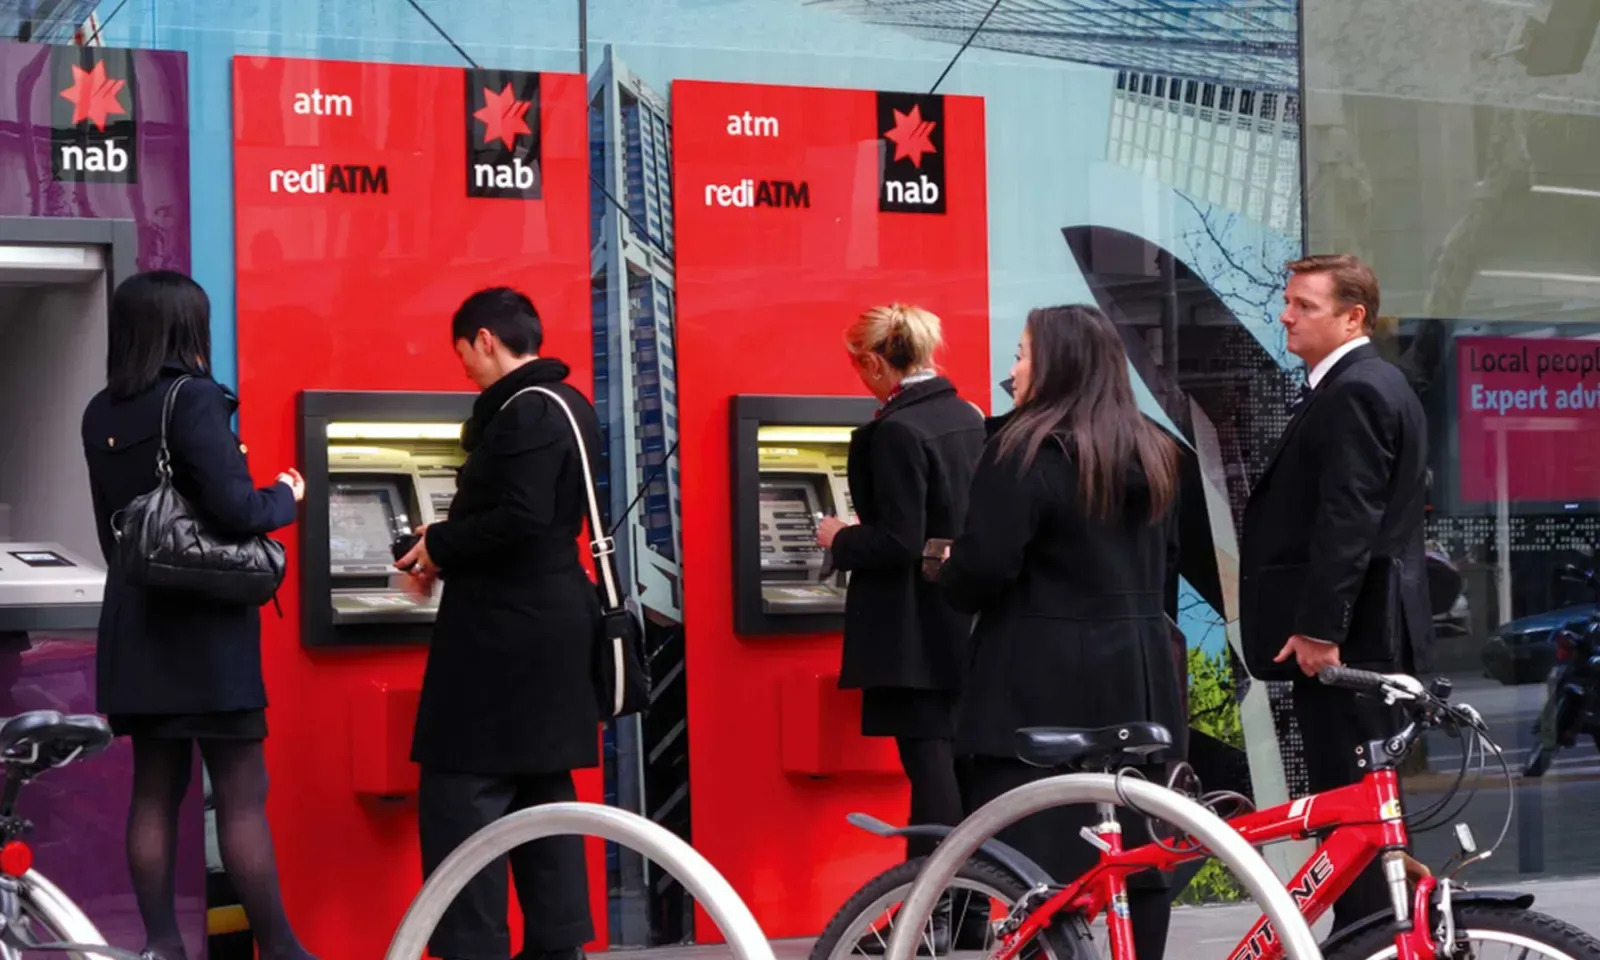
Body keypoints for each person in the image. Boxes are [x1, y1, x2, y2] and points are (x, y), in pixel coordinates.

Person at [936, 304, 1183, 960]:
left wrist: (947, 569)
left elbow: (983, 569)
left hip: (1035, 681)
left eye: (1022, 354)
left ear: (1055, 363)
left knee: (1031, 863)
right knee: (1137, 853)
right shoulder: (1155, 451)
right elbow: (1166, 569)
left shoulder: (1024, 449)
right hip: (1137, 676)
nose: (1013, 370)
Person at [81, 270, 315, 960]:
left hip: (135, 621)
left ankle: (162, 947)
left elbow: (114, 529)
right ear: (189, 327)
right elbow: (237, 510)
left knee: (154, 791)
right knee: (242, 794)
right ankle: (282, 949)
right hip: (204, 629)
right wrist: (286, 494)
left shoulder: (100, 409)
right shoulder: (195, 398)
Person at [395, 287, 600, 960]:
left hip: (503, 634)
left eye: (463, 352)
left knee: (463, 791)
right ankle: (558, 949)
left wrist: (440, 544)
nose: (464, 368)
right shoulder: (570, 404)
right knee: (543, 791)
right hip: (554, 623)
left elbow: (520, 519)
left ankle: (472, 949)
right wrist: (446, 539)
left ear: (485, 339)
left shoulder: (523, 411)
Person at [1238, 254, 1432, 932]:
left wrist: (1322, 629)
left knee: (1354, 814)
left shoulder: (1357, 390)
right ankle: (1373, 935)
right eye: (1288, 301)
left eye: (1305, 306)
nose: (1286, 316)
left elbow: (1349, 518)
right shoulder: (1364, 384)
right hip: (1364, 635)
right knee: (1359, 813)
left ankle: (1370, 939)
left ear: (1353, 317)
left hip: (1352, 645)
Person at [816, 304, 986, 947]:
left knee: (931, 775)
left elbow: (897, 541)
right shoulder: (965, 416)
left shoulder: (895, 433)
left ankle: (926, 916)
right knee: (958, 772)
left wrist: (839, 537)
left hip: (911, 632)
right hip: (961, 620)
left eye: (854, 364)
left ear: (873, 361)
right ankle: (968, 914)